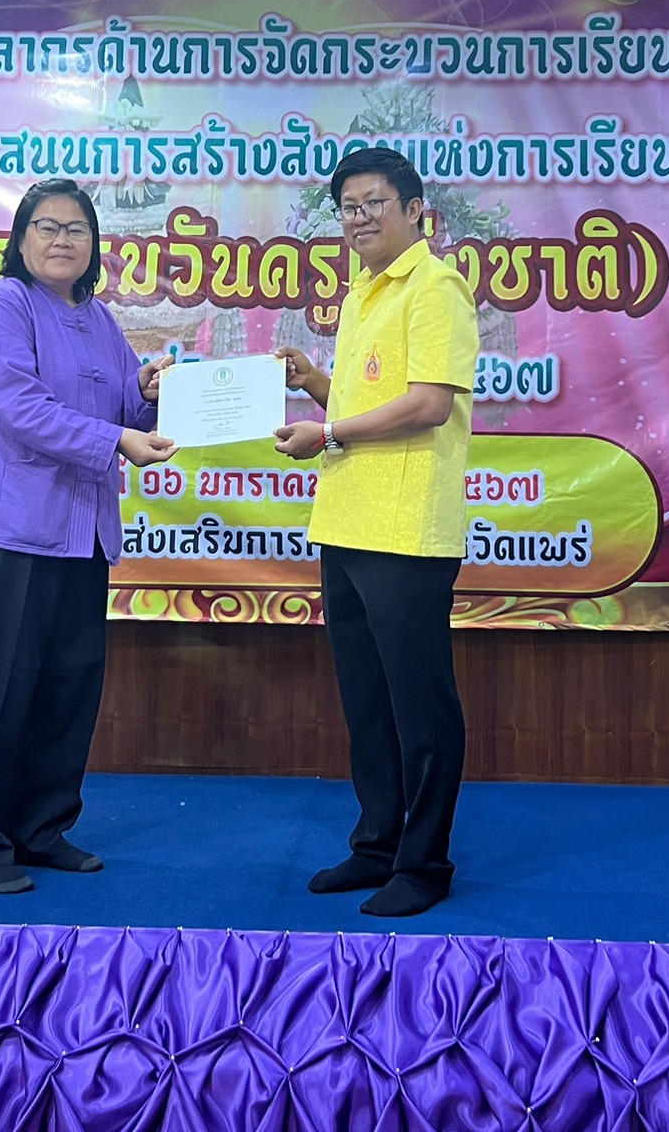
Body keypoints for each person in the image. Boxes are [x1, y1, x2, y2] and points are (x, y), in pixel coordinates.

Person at [0, 178, 175, 894]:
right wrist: (118, 437)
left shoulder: (99, 317)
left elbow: (123, 409)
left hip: (83, 533)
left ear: (94, 244)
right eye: (46, 227)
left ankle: (42, 830)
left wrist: (147, 394)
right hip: (9, 529)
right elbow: (21, 409)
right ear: (20, 239)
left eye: (76, 229)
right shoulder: (2, 306)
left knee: (66, 689)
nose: (61, 240)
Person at [273, 147, 479, 918]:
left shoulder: (435, 286)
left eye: (373, 204)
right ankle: (377, 845)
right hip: (349, 519)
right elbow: (368, 403)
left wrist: (327, 432)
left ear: (415, 209)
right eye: (348, 208)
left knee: (419, 704)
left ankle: (424, 864)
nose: (358, 219)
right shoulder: (363, 290)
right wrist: (315, 385)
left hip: (407, 527)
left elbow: (428, 404)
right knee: (367, 700)